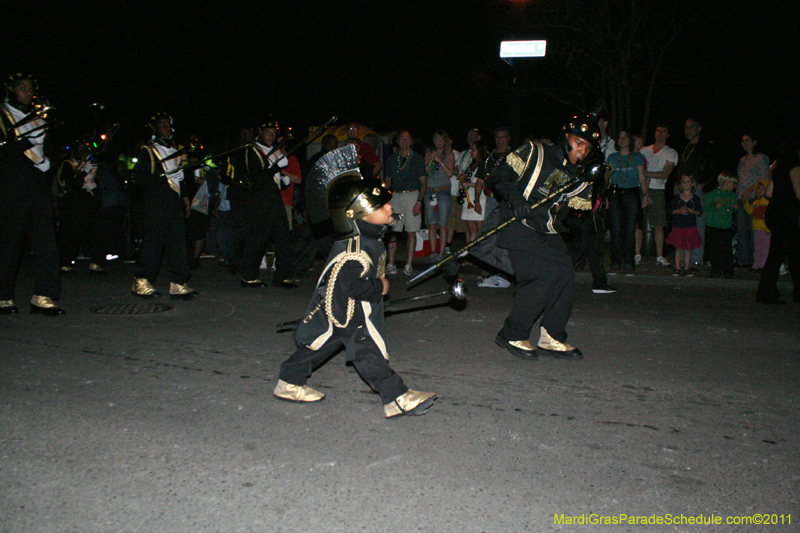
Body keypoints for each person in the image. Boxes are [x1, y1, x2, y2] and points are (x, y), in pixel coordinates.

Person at [274, 149, 436, 418]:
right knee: (366, 351)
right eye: (381, 207)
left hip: (339, 308)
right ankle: (396, 397)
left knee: (324, 343)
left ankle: (288, 381)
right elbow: (349, 286)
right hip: (347, 308)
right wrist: (378, 286)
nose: (389, 208)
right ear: (358, 215)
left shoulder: (367, 239)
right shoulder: (355, 250)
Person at [489, 111, 599, 361]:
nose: (581, 151)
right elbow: (498, 178)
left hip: (545, 227)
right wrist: (517, 199)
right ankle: (512, 334)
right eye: (578, 143)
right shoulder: (535, 151)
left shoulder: (579, 174)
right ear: (565, 137)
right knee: (541, 275)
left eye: (587, 147)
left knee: (563, 274)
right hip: (517, 221)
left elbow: (569, 214)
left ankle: (552, 336)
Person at [0, 73, 64, 316]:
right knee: (9, 243)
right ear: (11, 89)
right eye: (22, 88)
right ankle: (3, 295)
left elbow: (45, 147)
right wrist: (26, 143)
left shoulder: (37, 118)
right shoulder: (2, 115)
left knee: (47, 242)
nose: (27, 92)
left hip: (37, 187)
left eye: (30, 88)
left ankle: (44, 295)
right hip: (10, 186)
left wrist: (46, 161)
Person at [130, 113, 198, 300]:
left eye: (169, 125)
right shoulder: (148, 151)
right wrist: (163, 177)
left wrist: (184, 197)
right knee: (154, 242)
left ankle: (178, 282)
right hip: (157, 202)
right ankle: (141, 280)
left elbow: (179, 180)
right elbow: (139, 179)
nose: (167, 129)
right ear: (155, 128)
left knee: (178, 241)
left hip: (173, 202)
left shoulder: (175, 150)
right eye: (162, 125)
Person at [231, 121, 296, 288]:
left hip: (274, 199)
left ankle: (282, 276)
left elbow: (272, 176)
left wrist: (283, 180)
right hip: (259, 201)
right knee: (258, 239)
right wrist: (274, 169)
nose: (271, 136)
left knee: (283, 238)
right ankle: (249, 276)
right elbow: (254, 178)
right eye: (268, 133)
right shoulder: (251, 150)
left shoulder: (275, 150)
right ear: (261, 132)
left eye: (274, 133)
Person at [756, 140, 800, 304]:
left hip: (775, 211)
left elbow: (768, 193)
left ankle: (769, 291)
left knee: (788, 253)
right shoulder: (795, 167)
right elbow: (799, 193)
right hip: (787, 213)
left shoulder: (777, 167)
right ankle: (766, 292)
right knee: (784, 255)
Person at [677, 118, 717, 272]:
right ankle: (680, 258)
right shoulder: (684, 147)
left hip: (698, 191)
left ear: (698, 129)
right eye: (685, 127)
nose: (688, 130)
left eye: (691, 127)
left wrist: (703, 185)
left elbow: (713, 170)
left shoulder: (706, 147)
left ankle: (696, 260)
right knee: (681, 224)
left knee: (698, 225)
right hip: (682, 190)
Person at [384, 130, 426, 276]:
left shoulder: (417, 159)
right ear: (397, 142)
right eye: (401, 139)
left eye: (406, 139)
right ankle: (391, 264)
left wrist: (419, 202)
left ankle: (408, 264)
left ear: (411, 141)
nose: (404, 141)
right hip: (395, 196)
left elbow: (423, 183)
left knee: (411, 231)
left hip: (411, 195)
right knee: (393, 231)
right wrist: (384, 198)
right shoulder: (392, 159)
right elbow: (388, 181)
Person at [606, 130, 647, 274]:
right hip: (615, 195)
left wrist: (645, 195)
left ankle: (629, 263)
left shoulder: (637, 157)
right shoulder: (611, 157)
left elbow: (642, 178)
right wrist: (605, 197)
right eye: (620, 137)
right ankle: (615, 263)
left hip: (632, 195)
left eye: (625, 137)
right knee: (616, 231)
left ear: (630, 141)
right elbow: (608, 179)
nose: (622, 140)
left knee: (630, 231)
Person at [640, 124, 678, 267]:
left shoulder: (671, 152)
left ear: (668, 135)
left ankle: (659, 255)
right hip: (641, 188)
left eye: (664, 131)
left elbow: (665, 173)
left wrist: (644, 174)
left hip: (657, 189)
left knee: (659, 224)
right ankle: (637, 254)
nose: (660, 133)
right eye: (658, 130)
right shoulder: (644, 150)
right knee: (638, 223)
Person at [736, 133, 770, 267]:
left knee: (755, 229)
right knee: (741, 228)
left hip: (754, 198)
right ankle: (744, 259)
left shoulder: (761, 158)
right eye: (742, 141)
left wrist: (750, 190)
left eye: (747, 140)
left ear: (754, 142)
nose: (744, 143)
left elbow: (763, 178)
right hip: (742, 198)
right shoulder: (742, 159)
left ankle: (758, 260)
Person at [423, 130, 455, 260]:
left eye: (441, 140)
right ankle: (432, 252)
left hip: (443, 192)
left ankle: (441, 253)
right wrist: (431, 159)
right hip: (430, 191)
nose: (439, 142)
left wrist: (440, 161)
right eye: (436, 139)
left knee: (443, 224)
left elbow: (450, 174)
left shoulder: (450, 155)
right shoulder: (428, 154)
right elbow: (424, 171)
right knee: (432, 223)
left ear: (445, 141)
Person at [665, 174, 703, 277]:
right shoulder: (677, 198)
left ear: (692, 184)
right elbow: (671, 211)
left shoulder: (695, 198)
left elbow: (700, 212)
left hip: (690, 226)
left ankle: (687, 268)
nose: (685, 184)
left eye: (688, 182)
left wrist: (692, 211)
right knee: (678, 247)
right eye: (683, 182)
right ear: (680, 185)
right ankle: (677, 267)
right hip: (678, 226)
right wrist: (679, 211)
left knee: (688, 248)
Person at [704, 172, 739, 278]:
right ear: (725, 183)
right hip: (713, 226)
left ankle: (728, 271)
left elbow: (733, 210)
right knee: (714, 249)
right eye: (733, 183)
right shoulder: (713, 194)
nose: (734, 186)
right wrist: (715, 206)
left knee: (726, 250)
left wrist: (735, 208)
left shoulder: (732, 195)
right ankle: (715, 270)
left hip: (726, 227)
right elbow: (706, 207)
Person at [459, 141, 487, 243]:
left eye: (473, 150)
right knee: (471, 229)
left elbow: (484, 184)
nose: (471, 152)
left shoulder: (484, 165)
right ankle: (470, 252)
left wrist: (468, 184)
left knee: (480, 229)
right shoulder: (472, 165)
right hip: (468, 198)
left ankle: (481, 252)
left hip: (478, 198)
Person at [743, 180, 770, 270]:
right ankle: (756, 264)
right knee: (757, 248)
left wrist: (768, 228)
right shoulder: (756, 202)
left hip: (766, 229)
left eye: (763, 188)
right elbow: (750, 211)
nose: (760, 190)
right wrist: (746, 203)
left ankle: (763, 265)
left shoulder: (768, 202)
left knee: (765, 249)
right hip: (756, 229)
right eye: (758, 188)